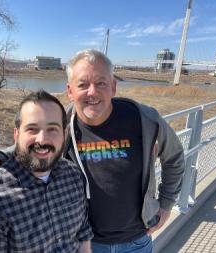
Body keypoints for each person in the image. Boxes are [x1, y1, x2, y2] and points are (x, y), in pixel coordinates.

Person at [65, 49, 185, 253]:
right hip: (84, 243)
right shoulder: (61, 126)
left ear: (113, 87)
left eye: (101, 83)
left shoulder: (144, 119)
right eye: (83, 84)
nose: (92, 92)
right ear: (70, 91)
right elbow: (28, 144)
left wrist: (166, 205)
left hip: (137, 242)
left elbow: (174, 157)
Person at [0, 90, 93, 253]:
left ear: (64, 134)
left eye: (52, 129)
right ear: (16, 134)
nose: (42, 140)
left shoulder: (73, 175)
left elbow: (83, 235)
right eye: (32, 129)